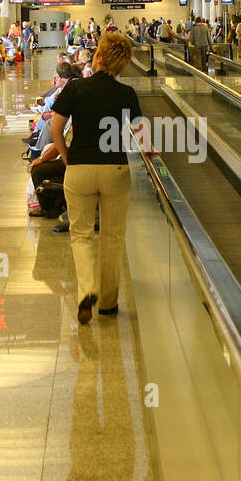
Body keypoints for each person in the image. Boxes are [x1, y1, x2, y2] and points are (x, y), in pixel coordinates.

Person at [50, 32, 149, 324]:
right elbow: (143, 139)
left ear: (100, 56)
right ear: (122, 64)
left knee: (80, 235)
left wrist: (69, 160)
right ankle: (107, 303)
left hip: (80, 168)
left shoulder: (77, 88)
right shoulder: (126, 94)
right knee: (112, 237)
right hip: (115, 171)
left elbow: (56, 129)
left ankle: (87, 290)